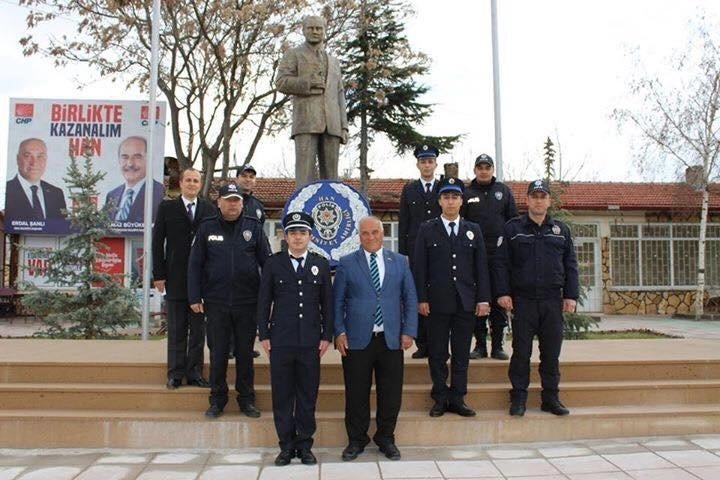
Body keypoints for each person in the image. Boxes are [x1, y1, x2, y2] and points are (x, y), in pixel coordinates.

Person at [334, 216, 417, 462]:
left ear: (382, 233)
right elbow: (337, 301)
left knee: (390, 393)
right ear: (358, 236)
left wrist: (409, 330)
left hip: (391, 339)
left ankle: (386, 438)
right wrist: (339, 331)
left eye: (375, 232)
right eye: (365, 233)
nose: (370, 237)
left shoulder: (400, 262)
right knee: (356, 393)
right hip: (357, 339)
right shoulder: (347, 263)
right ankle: (356, 440)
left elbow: (410, 298)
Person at [495, 179, 579, 417]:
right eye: (535, 196)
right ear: (527, 200)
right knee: (521, 352)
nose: (539, 200)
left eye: (543, 196)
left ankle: (550, 398)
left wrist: (571, 295)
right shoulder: (513, 229)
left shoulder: (560, 231)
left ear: (549, 201)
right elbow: (501, 264)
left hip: (552, 300)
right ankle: (518, 398)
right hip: (523, 301)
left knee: (551, 352)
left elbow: (570, 265)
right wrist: (503, 293)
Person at [187, 183, 271, 419]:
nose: (232, 204)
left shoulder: (253, 227)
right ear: (219, 203)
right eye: (228, 200)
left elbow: (267, 263)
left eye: (236, 200)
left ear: (242, 204)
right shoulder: (206, 228)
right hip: (216, 302)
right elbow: (194, 265)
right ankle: (217, 400)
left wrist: (270, 295)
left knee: (245, 354)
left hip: (247, 302)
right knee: (218, 353)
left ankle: (247, 400)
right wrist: (194, 295)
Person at [256, 211, 332, 466]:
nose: (297, 237)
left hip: (311, 341)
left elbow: (327, 304)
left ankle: (305, 445)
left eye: (302, 233)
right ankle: (286, 446)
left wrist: (326, 335)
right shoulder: (273, 263)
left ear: (310, 236)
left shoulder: (320, 264)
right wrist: (264, 335)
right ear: (284, 236)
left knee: (307, 395)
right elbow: (263, 301)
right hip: (281, 340)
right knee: (283, 395)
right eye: (292, 233)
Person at [413, 177, 491, 418]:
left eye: (455, 197)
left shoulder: (472, 230)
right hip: (436, 303)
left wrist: (483, 299)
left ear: (461, 200)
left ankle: (458, 398)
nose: (450, 201)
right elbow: (419, 267)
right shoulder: (427, 229)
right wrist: (421, 299)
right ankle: (439, 397)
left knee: (460, 353)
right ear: (439, 201)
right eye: (446, 197)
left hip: (465, 302)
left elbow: (481, 267)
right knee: (437, 353)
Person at [152, 168, 214, 390]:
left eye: (196, 180)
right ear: (181, 183)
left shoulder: (209, 208)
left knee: (197, 331)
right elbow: (158, 242)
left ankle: (195, 372)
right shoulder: (167, 207)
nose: (192, 184)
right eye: (188, 180)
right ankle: (175, 374)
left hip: (201, 281)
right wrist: (158, 275)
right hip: (175, 278)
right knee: (177, 329)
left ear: (200, 184)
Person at [275, 15, 348, 185]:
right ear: (303, 30)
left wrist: (343, 126)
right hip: (306, 122)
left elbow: (340, 94)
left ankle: (331, 207)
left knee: (332, 179)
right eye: (311, 28)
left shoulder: (334, 61)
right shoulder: (294, 54)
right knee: (304, 177)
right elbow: (280, 82)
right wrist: (307, 83)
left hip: (333, 125)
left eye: (319, 28)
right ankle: (302, 210)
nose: (315, 31)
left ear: (324, 31)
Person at [462, 153, 518, 361]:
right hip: (474, 256)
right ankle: (479, 345)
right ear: (475, 170)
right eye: (480, 167)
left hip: (499, 256)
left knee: (498, 299)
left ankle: (497, 346)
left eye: (487, 167)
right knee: (478, 300)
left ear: (492, 170)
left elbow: (513, 222)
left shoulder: (503, 192)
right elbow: (461, 224)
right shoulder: (467, 193)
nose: (484, 171)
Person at [398, 144, 442, 360]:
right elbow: (403, 223)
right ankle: (422, 343)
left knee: (440, 294)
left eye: (430, 161)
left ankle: (440, 343)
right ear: (418, 164)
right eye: (423, 161)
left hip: (440, 249)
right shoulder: (409, 190)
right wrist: (402, 253)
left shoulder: (445, 187)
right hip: (416, 251)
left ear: (435, 164)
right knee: (418, 295)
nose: (427, 165)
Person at [234, 164, 267, 359]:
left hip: (251, 265)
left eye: (251, 176)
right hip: (229, 263)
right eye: (244, 176)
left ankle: (245, 346)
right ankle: (229, 345)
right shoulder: (227, 201)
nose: (248, 179)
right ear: (237, 178)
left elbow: (261, 237)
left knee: (249, 309)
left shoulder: (258, 206)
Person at [105, 136, 164, 223]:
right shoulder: (112, 195)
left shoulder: (159, 193)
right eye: (125, 157)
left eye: (137, 157)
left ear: (149, 160)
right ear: (119, 160)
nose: (130, 164)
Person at [5, 138, 66, 221]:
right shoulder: (4, 190)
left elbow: (62, 228)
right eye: (27, 156)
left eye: (40, 156)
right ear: (18, 159)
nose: (34, 163)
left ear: (46, 160)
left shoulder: (56, 194)